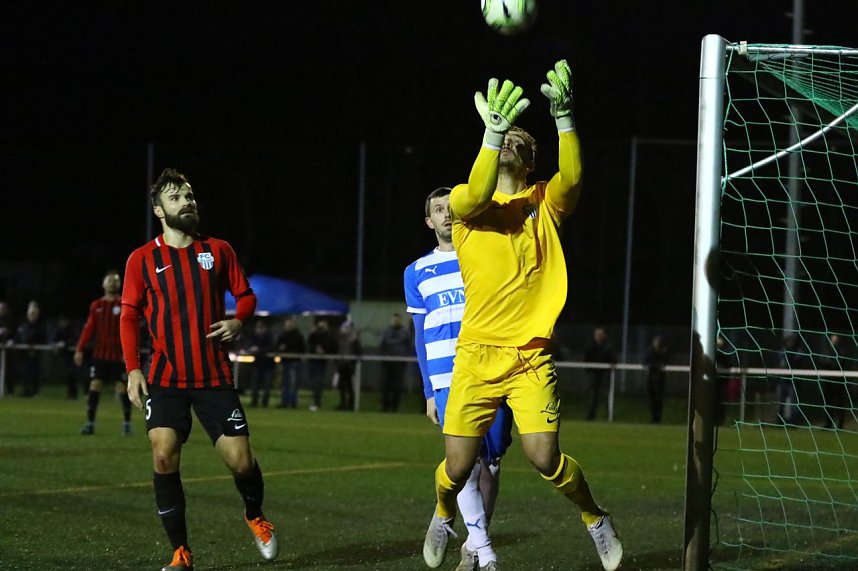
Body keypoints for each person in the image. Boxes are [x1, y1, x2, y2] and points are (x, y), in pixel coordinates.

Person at [422, 61, 622, 571]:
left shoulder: (543, 203)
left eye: (516, 139)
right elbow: (469, 192)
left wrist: (565, 119)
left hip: (530, 357)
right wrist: (489, 137)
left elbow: (572, 179)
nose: (509, 140)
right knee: (459, 465)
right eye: (502, 136)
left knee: (544, 459)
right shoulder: (469, 210)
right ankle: (444, 512)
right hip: (475, 355)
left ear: (531, 161)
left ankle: (595, 517)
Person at [120, 168, 278, 570]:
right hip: (165, 378)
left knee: (241, 461)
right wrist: (133, 369)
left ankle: (255, 515)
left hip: (213, 377)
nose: (187, 201)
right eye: (176, 197)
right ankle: (181, 553)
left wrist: (239, 320)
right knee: (163, 455)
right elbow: (129, 316)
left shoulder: (218, 250)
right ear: (159, 210)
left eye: (189, 195)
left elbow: (245, 294)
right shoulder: (142, 259)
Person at [406, 186, 513, 570]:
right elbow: (420, 334)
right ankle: (481, 550)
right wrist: (429, 391)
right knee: (466, 461)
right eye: (438, 210)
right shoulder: (416, 272)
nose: (447, 215)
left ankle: (454, 520)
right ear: (429, 221)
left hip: (494, 370)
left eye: (451, 208)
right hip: (447, 376)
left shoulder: (485, 257)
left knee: (493, 460)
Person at [75, 270, 133, 435]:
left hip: (118, 356)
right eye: (109, 281)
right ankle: (90, 423)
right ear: (103, 284)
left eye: (115, 281)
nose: (112, 284)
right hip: (100, 355)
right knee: (95, 385)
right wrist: (80, 348)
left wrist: (128, 352)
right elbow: (89, 328)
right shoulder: (97, 306)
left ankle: (127, 424)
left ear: (119, 284)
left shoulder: (124, 304)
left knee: (122, 388)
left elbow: (130, 329)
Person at [379, 312, 412, 412]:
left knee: (397, 386)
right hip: (388, 362)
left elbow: (407, 346)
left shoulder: (405, 333)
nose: (395, 321)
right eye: (394, 319)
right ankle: (385, 407)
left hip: (399, 363)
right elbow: (383, 345)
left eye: (397, 319)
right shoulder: (387, 332)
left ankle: (394, 407)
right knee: (386, 385)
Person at [584, 327, 617, 421]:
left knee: (606, 396)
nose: (598, 336)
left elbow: (614, 359)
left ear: (604, 335)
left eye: (600, 334)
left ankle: (609, 416)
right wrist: (589, 369)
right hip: (594, 374)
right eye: (596, 334)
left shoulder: (608, 346)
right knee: (592, 396)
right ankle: (590, 416)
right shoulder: (590, 346)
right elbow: (586, 359)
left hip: (604, 375)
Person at [15, 300, 45, 397]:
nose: (33, 312)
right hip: (23, 354)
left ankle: (35, 392)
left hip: (35, 354)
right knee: (24, 373)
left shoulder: (41, 324)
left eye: (35, 309)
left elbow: (42, 337)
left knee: (35, 373)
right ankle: (25, 392)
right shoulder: (22, 324)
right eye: (31, 309)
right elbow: (19, 336)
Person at [275, 314, 305, 408]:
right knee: (285, 383)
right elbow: (277, 346)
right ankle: (285, 401)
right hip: (285, 362)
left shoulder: (298, 336)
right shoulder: (282, 335)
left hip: (293, 362)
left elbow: (302, 348)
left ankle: (292, 402)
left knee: (292, 383)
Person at [244, 319, 276, 408]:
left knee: (266, 386)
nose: (259, 330)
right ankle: (254, 402)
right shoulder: (254, 337)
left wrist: (259, 350)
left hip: (267, 365)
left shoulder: (269, 337)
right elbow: (248, 345)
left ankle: (264, 403)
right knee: (255, 385)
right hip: (257, 364)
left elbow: (271, 348)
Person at [306, 319, 336, 411]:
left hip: (321, 363)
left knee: (318, 382)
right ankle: (315, 400)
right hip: (313, 361)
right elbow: (310, 343)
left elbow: (331, 347)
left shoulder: (328, 337)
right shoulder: (314, 335)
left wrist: (324, 351)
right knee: (313, 382)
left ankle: (317, 402)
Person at [820, 334, 848, 430]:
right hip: (828, 381)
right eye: (832, 340)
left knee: (839, 404)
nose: (834, 342)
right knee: (828, 404)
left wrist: (830, 364)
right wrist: (828, 364)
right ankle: (828, 424)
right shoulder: (827, 351)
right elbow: (821, 361)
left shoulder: (841, 351)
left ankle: (840, 425)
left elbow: (839, 363)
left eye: (835, 340)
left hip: (839, 382)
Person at [776, 334, 803, 425]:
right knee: (781, 402)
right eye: (788, 341)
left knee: (794, 402)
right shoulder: (782, 352)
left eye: (791, 341)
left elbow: (797, 362)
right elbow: (781, 363)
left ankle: (794, 422)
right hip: (783, 380)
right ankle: (779, 421)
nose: (790, 343)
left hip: (793, 381)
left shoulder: (798, 352)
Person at [335, 320, 361, 411]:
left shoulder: (354, 340)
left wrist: (352, 362)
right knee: (341, 385)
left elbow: (358, 352)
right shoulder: (339, 339)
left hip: (349, 365)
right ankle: (343, 403)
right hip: (341, 364)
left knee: (349, 385)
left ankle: (350, 405)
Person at [643, 334, 670, 424]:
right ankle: (654, 418)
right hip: (651, 379)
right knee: (652, 400)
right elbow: (646, 362)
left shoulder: (664, 351)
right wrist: (657, 366)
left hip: (660, 379)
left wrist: (655, 366)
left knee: (659, 400)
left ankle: (658, 419)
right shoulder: (650, 351)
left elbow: (665, 362)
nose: (657, 344)